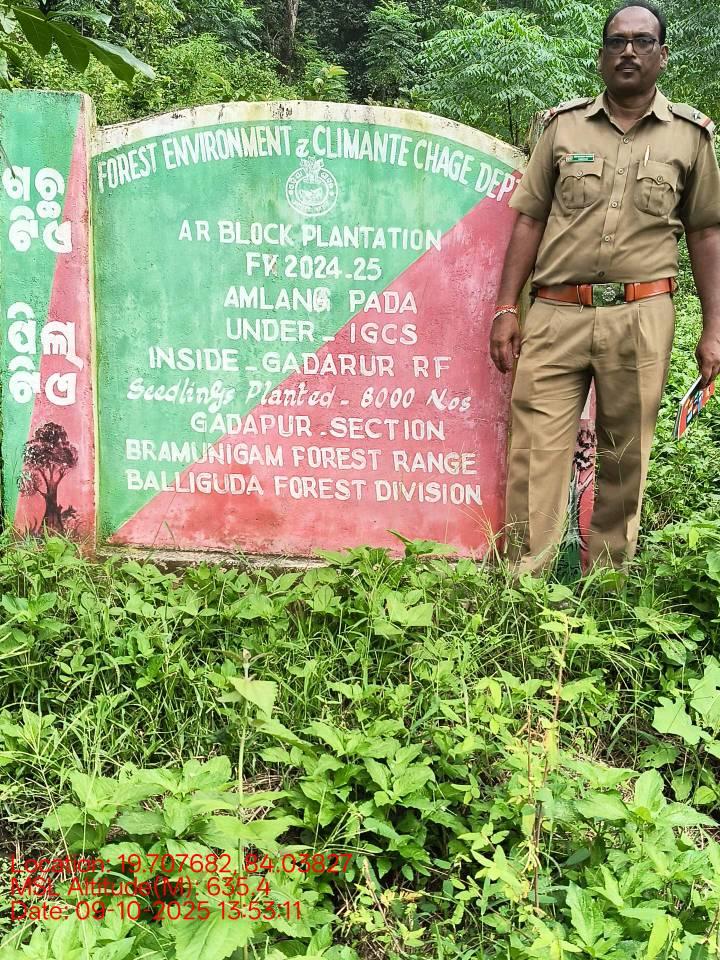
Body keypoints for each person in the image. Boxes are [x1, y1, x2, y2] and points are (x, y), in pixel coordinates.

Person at [490, 0, 720, 576]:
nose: (629, 52)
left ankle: (608, 586)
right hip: (555, 315)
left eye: (642, 42)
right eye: (617, 41)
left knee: (625, 457)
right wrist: (505, 308)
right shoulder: (562, 127)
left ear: (662, 55)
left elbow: (705, 232)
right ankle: (525, 585)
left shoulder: (690, 137)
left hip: (642, 316)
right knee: (535, 454)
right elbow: (530, 219)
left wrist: (714, 328)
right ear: (602, 55)